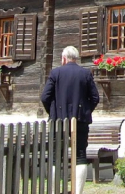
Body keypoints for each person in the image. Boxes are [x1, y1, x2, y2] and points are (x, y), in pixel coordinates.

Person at [41, 45, 99, 194]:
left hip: (58, 121)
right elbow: (95, 98)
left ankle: (54, 191)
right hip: (80, 120)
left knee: (55, 157)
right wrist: (85, 112)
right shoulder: (85, 73)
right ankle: (77, 192)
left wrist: (52, 113)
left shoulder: (56, 73)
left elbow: (45, 97)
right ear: (76, 58)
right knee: (80, 156)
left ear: (64, 58)